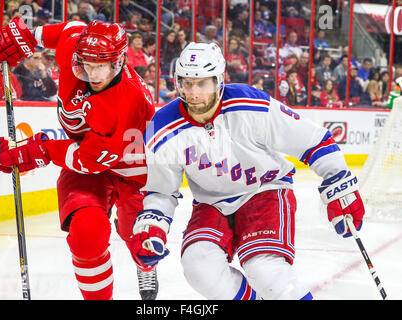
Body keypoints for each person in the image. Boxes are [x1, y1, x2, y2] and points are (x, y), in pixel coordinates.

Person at [130, 42, 366, 300]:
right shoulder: (161, 127)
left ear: (219, 80)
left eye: (203, 84)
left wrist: (339, 183)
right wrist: (153, 224)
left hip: (265, 191)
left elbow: (313, 139)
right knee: (199, 266)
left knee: (267, 272)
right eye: (187, 83)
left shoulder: (250, 103)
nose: (194, 93)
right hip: (212, 203)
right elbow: (161, 191)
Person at [0, 18, 157, 300]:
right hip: (89, 158)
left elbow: (89, 159)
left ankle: (144, 264)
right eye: (85, 64)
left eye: (100, 66)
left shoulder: (128, 101)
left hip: (134, 165)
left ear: (120, 61)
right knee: (86, 234)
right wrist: (25, 37)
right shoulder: (76, 50)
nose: (91, 73)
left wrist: (39, 151)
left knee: (137, 237)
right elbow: (69, 28)